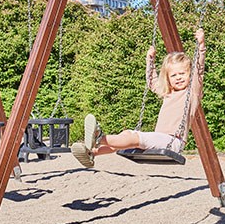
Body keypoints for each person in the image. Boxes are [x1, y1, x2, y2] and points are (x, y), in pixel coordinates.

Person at [71, 28, 206, 168]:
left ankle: (99, 138)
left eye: (182, 73)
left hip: (173, 141)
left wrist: (201, 46)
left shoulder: (192, 92)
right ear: (168, 78)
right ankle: (93, 153)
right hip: (159, 138)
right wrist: (150, 60)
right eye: (174, 75)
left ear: (190, 74)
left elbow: (199, 70)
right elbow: (152, 81)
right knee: (126, 136)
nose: (178, 78)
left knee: (132, 138)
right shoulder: (168, 93)